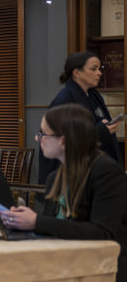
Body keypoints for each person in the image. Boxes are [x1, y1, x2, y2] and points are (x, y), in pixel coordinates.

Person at [3, 103, 127, 282]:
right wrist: (19, 221)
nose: (38, 138)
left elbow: (103, 234)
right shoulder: (55, 177)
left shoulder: (106, 172)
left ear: (63, 140)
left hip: (104, 280)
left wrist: (37, 222)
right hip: (65, 272)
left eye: (43, 133)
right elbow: (52, 229)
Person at [37, 51, 123, 183]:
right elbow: (61, 142)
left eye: (99, 69)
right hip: (72, 176)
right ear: (77, 72)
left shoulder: (94, 95)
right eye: (93, 69)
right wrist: (99, 133)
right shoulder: (64, 100)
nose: (99, 73)